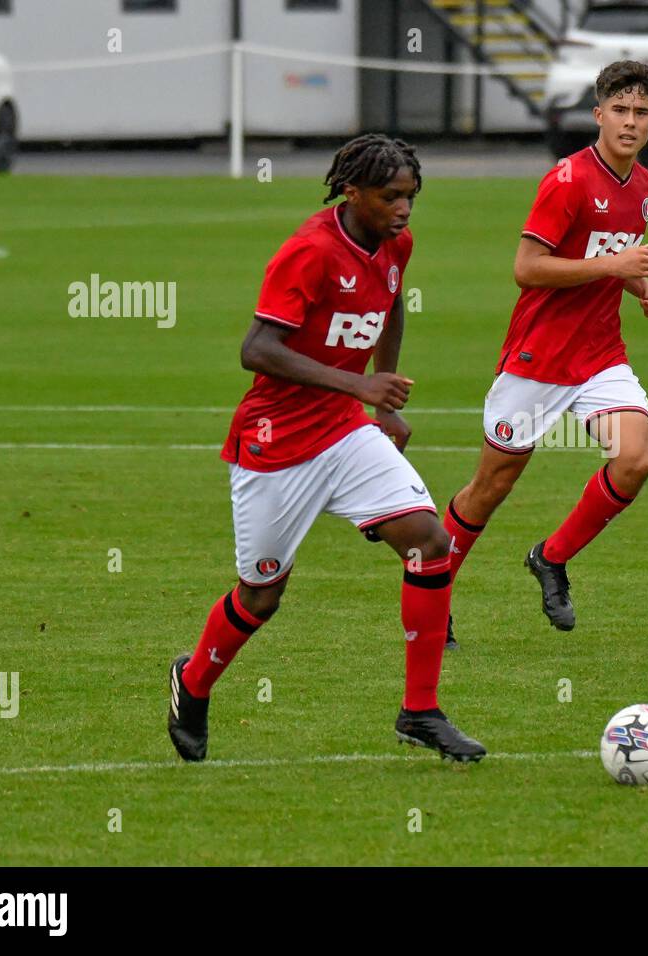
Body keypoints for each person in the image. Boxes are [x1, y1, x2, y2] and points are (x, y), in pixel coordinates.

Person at [168, 134, 485, 764]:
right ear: (352, 191)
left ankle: (419, 710)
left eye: (412, 197)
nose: (404, 209)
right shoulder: (309, 252)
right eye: (391, 197)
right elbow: (256, 350)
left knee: (429, 542)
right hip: (275, 444)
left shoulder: (396, 244)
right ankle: (194, 682)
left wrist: (382, 406)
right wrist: (360, 383)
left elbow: (391, 307)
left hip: (344, 432)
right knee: (261, 596)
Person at [442, 61, 648, 637]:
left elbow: (606, 254)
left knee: (636, 459)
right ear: (598, 115)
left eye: (641, 112)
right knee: (490, 487)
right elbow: (528, 269)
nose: (630, 122)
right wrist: (617, 265)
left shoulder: (646, 187)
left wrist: (638, 286)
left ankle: (552, 557)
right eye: (619, 110)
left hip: (599, 355)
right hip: (538, 358)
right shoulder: (566, 180)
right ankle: (434, 588)